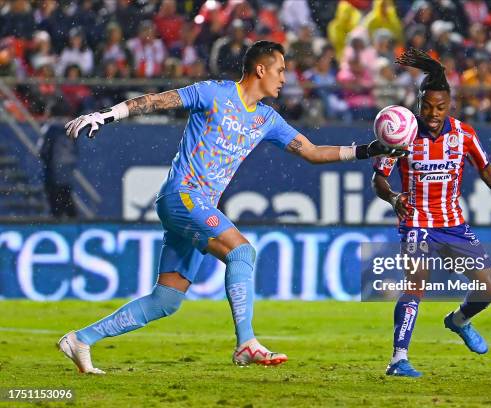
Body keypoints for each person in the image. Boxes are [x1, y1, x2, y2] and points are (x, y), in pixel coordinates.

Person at [58, 41, 401, 374]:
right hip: (183, 195)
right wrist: (109, 114)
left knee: (166, 300)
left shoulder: (266, 118)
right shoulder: (214, 93)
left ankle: (81, 339)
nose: (285, 78)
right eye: (280, 71)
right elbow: (160, 101)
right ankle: (247, 343)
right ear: (260, 69)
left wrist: (368, 150)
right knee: (242, 253)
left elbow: (311, 152)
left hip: (196, 205)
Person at [371, 48, 491, 378]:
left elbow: (486, 169)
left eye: (440, 107)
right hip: (416, 222)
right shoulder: (402, 134)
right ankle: (398, 359)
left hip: (453, 225)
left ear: (451, 106)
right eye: (427, 106)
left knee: (490, 288)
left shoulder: (464, 134)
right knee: (416, 284)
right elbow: (379, 178)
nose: (433, 113)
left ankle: (458, 321)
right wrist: (392, 198)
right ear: (418, 103)